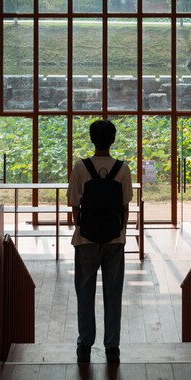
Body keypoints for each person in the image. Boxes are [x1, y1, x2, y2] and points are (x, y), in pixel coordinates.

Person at [67, 119, 133, 365]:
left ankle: (85, 345)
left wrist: (82, 226)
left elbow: (75, 205)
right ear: (113, 140)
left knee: (85, 292)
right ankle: (112, 347)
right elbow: (125, 207)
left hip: (85, 239)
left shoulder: (80, 168)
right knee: (113, 293)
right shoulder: (122, 169)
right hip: (115, 239)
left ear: (92, 139)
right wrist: (119, 230)